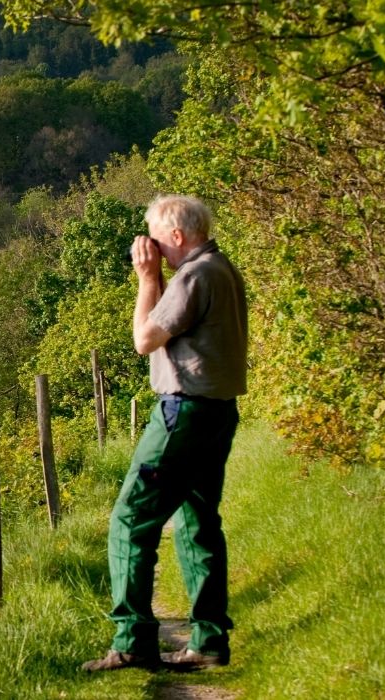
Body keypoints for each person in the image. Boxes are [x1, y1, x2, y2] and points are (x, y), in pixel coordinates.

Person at [81, 195, 249, 673]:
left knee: (131, 520)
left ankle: (132, 640)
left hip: (184, 412)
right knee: (197, 523)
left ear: (176, 236)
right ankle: (209, 641)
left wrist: (148, 279)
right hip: (218, 412)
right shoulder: (224, 268)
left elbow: (144, 339)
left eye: (154, 238)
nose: (148, 247)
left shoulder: (192, 276)